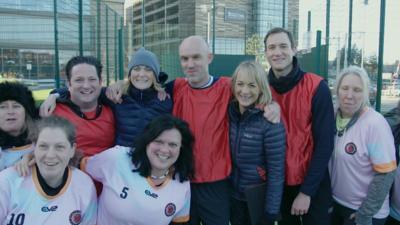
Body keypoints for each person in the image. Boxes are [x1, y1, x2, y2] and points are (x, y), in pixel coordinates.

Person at [264, 27, 335, 225]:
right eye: (272, 47)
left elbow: (325, 144)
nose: (277, 52)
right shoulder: (261, 89)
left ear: (294, 49)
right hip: (278, 185)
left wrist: (306, 192)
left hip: (312, 184)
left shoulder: (316, 87)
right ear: (266, 53)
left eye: (283, 46)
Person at [80, 115, 194, 225]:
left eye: (173, 145)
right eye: (159, 141)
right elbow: (81, 171)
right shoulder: (117, 158)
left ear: (181, 149)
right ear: (147, 141)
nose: (164, 150)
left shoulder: (182, 182)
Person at [329, 66, 397, 225]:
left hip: (363, 212)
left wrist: (365, 214)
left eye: (357, 90)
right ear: (337, 90)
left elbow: (386, 173)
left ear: (366, 93)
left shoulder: (375, 124)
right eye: (344, 88)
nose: (349, 95)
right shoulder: (331, 115)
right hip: (336, 204)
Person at [0, 116, 97, 225]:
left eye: (59, 147)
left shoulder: (84, 185)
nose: (50, 155)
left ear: (72, 150)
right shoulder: (7, 182)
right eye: (43, 146)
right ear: (34, 148)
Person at [228, 61, 286, 225]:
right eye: (240, 84)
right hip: (233, 196)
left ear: (261, 88)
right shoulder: (230, 115)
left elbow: (276, 171)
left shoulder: (270, 122)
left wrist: (270, 212)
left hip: (256, 201)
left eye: (252, 85)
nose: (245, 91)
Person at [41, 56, 115, 156]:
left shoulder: (115, 109)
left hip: (108, 169)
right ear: (68, 84)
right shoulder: (52, 111)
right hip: (69, 169)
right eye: (79, 80)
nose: (86, 86)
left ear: (100, 82)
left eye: (92, 79)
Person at [113, 47, 172, 147]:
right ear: (130, 73)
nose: (141, 74)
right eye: (136, 69)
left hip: (151, 160)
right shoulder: (117, 96)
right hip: (122, 160)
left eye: (148, 70)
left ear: (155, 75)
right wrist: (114, 86)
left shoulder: (166, 100)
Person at [0, 81, 38, 171]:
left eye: (16, 106)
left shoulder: (41, 141)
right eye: (3, 107)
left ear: (26, 112)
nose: (10, 111)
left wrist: (55, 95)